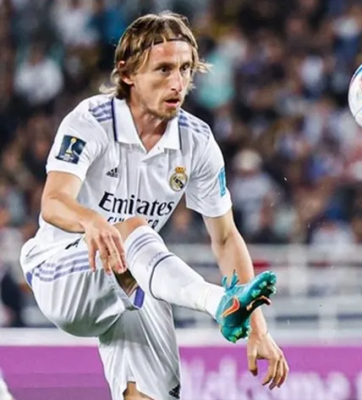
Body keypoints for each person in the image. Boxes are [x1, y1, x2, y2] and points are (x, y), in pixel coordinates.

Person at [18, 12, 289, 400]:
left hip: (135, 273)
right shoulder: (92, 120)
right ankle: (217, 302)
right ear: (127, 72)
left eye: (185, 69)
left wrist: (258, 329)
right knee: (133, 230)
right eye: (163, 70)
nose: (177, 83)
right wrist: (91, 221)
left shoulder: (196, 140)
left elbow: (226, 238)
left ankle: (225, 306)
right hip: (62, 272)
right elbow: (53, 202)